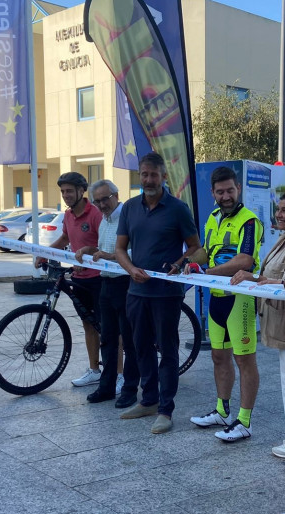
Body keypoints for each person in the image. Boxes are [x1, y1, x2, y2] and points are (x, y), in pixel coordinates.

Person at [114, 153, 201, 434]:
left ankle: (166, 409)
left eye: (153, 175)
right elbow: (119, 249)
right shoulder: (129, 208)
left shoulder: (177, 209)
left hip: (166, 293)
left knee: (168, 349)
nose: (148, 180)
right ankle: (148, 400)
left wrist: (179, 264)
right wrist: (131, 269)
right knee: (139, 348)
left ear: (164, 177)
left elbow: (195, 247)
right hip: (136, 292)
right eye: (143, 174)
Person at [230, 189, 285, 457]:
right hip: (283, 321)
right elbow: (274, 277)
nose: (279, 214)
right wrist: (254, 278)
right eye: (278, 209)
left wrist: (260, 281)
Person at [188, 166, 264, 442]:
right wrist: (188, 262)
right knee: (218, 356)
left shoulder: (250, 220)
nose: (226, 196)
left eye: (230, 190)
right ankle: (222, 410)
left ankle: (244, 421)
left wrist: (205, 273)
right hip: (216, 298)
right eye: (220, 192)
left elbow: (244, 261)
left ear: (238, 189)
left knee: (244, 359)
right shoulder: (213, 217)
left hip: (239, 298)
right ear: (213, 194)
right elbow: (206, 251)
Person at [74, 179, 140, 407]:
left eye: (105, 199)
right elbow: (104, 249)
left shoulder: (128, 216)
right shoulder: (104, 220)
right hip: (106, 284)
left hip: (126, 283)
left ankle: (130, 389)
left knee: (129, 341)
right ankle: (107, 387)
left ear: (116, 195)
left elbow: (137, 250)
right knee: (108, 339)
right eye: (97, 201)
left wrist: (113, 257)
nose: (102, 204)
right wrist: (88, 250)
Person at [47, 172, 103, 388]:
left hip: (99, 278)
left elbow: (109, 245)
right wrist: (44, 253)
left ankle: (119, 373)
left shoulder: (95, 213)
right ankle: (94, 369)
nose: (65, 195)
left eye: (69, 191)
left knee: (107, 327)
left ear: (81, 191)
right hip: (80, 278)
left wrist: (89, 253)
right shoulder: (68, 215)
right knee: (88, 324)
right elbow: (65, 239)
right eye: (62, 191)